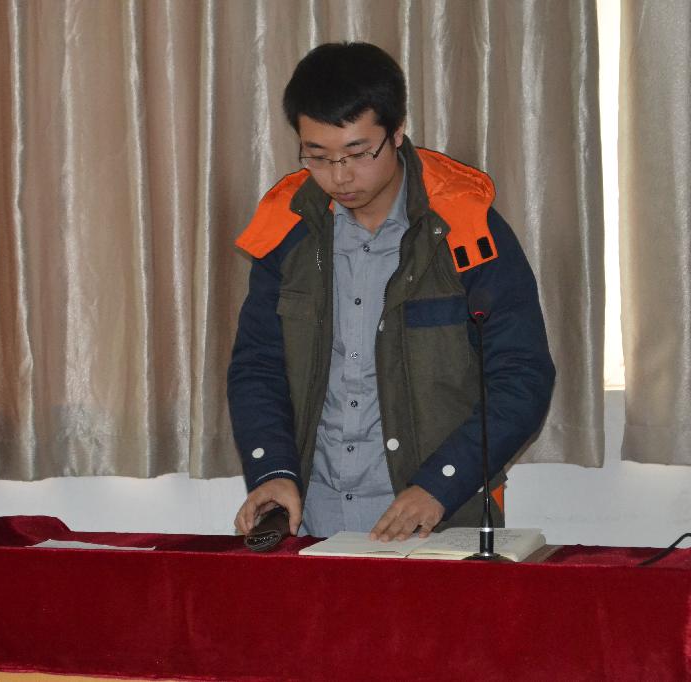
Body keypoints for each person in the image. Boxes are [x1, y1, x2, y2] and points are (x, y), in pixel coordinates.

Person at [228, 42, 555, 542]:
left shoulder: (467, 230)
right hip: (311, 519)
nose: (339, 176)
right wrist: (272, 470)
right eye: (318, 156)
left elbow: (521, 375)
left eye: (359, 153)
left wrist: (440, 484)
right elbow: (258, 366)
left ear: (397, 132)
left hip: (436, 520)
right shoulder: (287, 231)